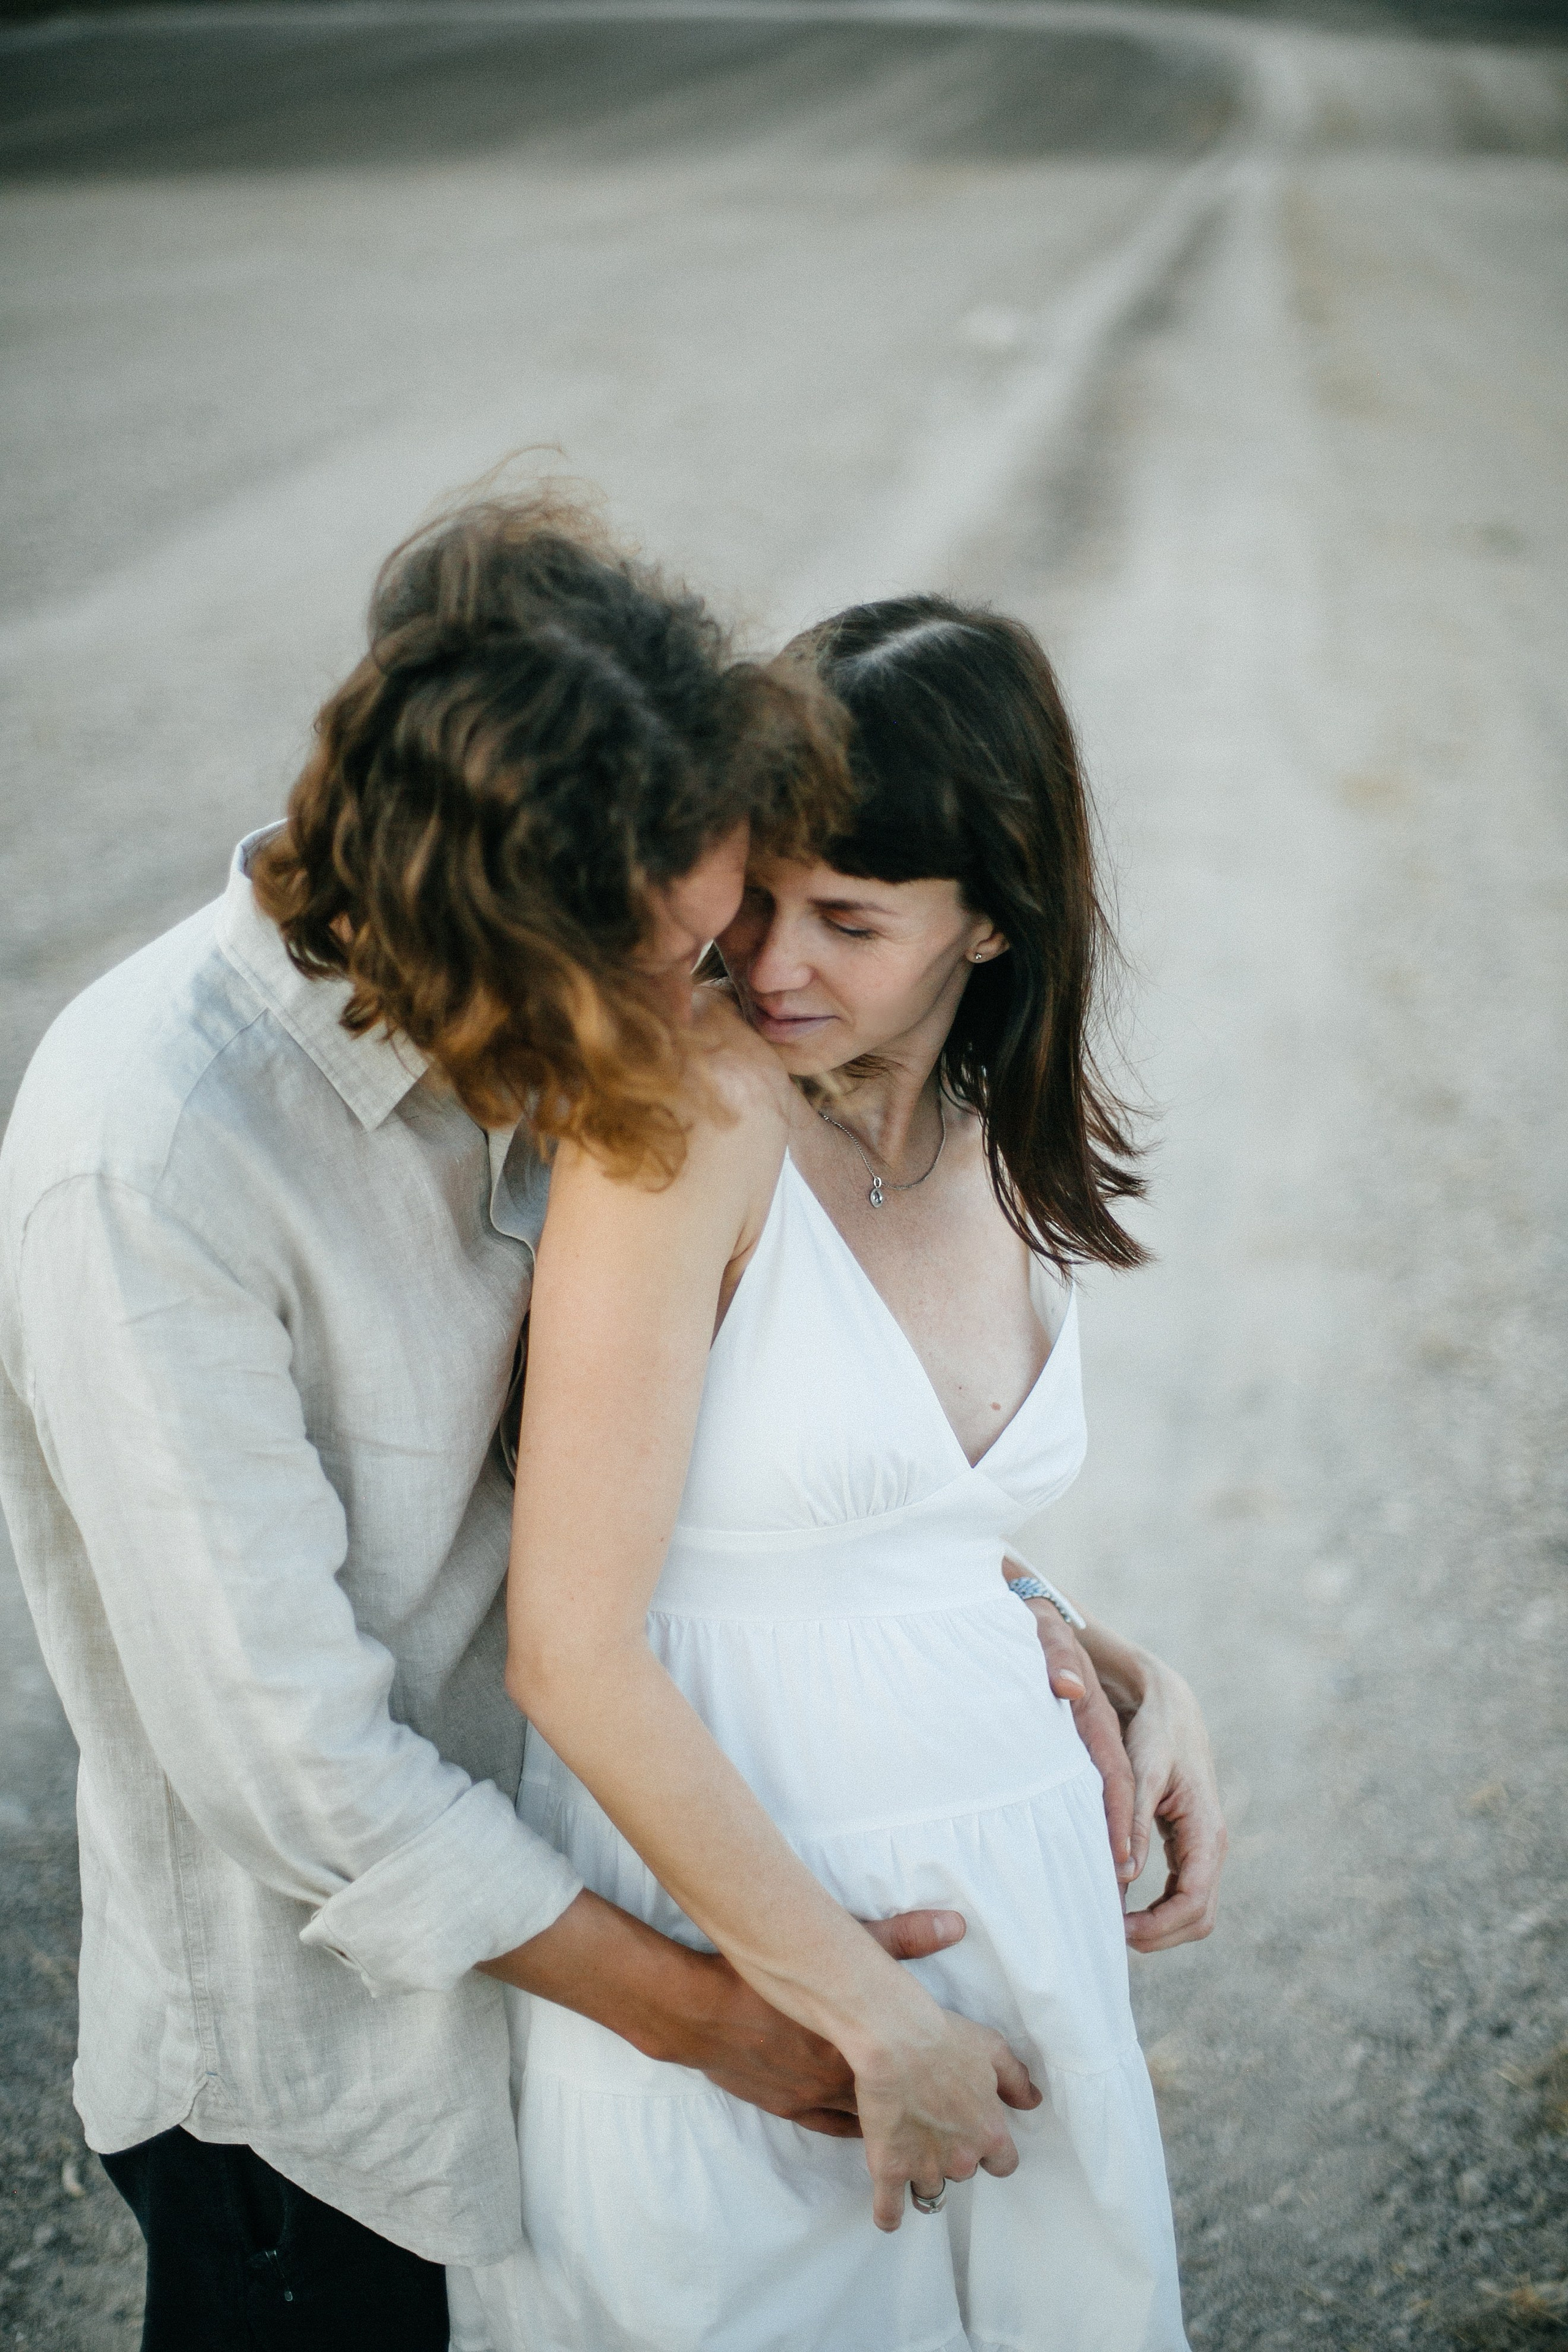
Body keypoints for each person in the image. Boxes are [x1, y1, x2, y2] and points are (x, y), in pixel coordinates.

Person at [0, 489, 1218, 2350]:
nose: (716, 1003)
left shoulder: (554, 1006)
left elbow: (730, 1464)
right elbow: (298, 1766)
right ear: (491, 926)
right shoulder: (155, 1157)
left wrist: (1052, 1630)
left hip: (636, 1936)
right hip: (349, 2073)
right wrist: (729, 2016)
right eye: (674, 958)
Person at [453, 594, 1218, 2351]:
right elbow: (570, 1650)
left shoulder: (995, 1134)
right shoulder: (689, 1119)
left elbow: (899, 1536)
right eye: (761, 897)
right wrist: (870, 2012)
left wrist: (1130, 1670)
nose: (774, 962)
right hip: (763, 1948)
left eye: (851, 921)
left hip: (1022, 1926)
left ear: (995, 922)